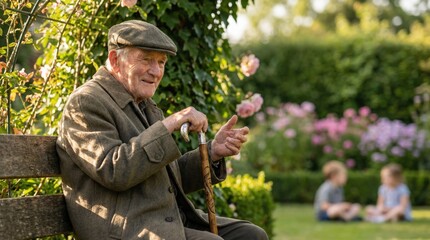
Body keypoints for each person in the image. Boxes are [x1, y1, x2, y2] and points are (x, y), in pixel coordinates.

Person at [56, 20, 268, 240]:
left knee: (251, 235)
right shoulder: (86, 102)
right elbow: (113, 171)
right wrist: (169, 124)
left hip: (164, 222)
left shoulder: (143, 104)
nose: (156, 72)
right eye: (146, 60)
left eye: (161, 62)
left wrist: (213, 152)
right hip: (124, 230)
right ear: (114, 60)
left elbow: (168, 179)